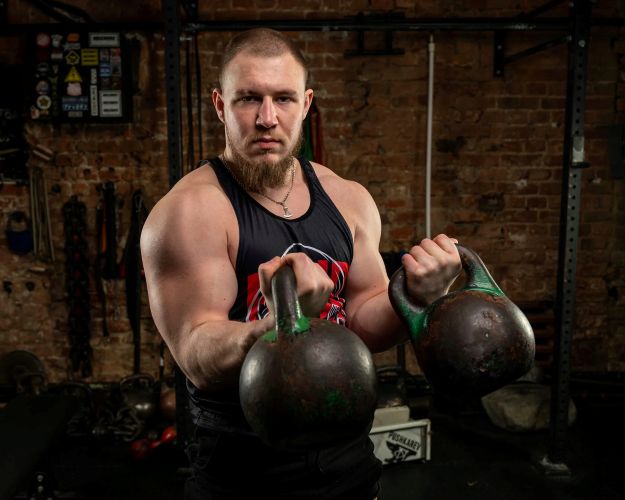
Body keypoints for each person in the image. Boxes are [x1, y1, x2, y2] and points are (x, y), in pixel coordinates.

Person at [140, 28, 461, 500]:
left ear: (306, 103)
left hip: (349, 458)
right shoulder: (191, 211)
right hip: (243, 473)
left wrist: (417, 296)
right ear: (220, 105)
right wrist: (278, 327)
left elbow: (364, 321)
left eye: (284, 99)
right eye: (249, 98)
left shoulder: (348, 199)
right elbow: (196, 353)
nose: (267, 118)